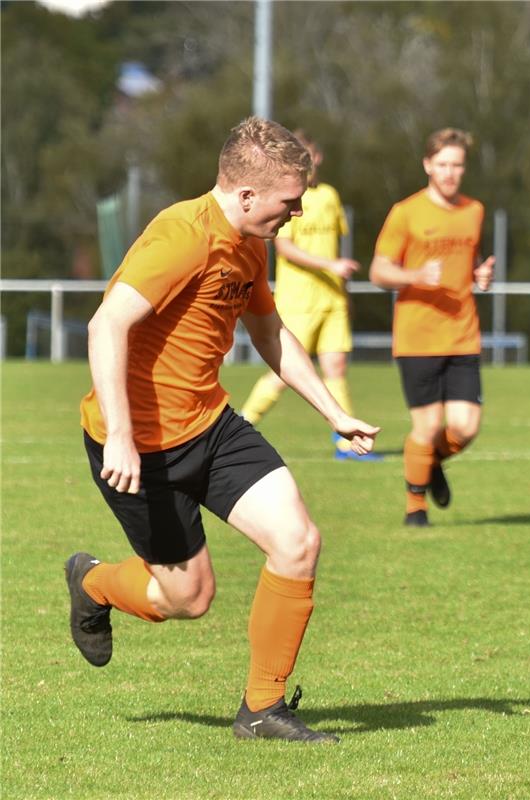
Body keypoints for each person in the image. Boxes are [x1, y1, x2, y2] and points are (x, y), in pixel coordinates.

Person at [66, 117, 380, 744]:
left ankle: (262, 709)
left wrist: (333, 412)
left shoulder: (249, 243)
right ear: (245, 195)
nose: (296, 212)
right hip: (139, 446)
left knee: (298, 541)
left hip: (210, 427)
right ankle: (93, 581)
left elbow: (268, 332)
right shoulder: (183, 236)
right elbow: (107, 326)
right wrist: (123, 436)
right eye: (289, 201)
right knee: (189, 598)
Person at [369, 127, 495, 527]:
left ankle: (428, 464)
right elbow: (378, 271)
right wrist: (416, 274)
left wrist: (480, 276)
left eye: (456, 165)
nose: (449, 172)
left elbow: (468, 266)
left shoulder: (474, 210)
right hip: (417, 337)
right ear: (427, 165)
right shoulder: (405, 212)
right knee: (426, 427)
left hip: (462, 332)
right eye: (442, 164)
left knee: (466, 427)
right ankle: (415, 508)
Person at [240, 130, 381, 461]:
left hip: (330, 299)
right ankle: (243, 424)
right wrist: (330, 265)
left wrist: (343, 293)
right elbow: (286, 248)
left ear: (316, 158)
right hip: (299, 300)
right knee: (284, 374)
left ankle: (348, 444)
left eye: (309, 156)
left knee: (336, 367)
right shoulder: (286, 198)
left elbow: (334, 246)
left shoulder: (330, 197)